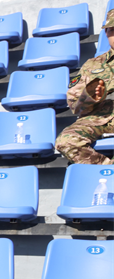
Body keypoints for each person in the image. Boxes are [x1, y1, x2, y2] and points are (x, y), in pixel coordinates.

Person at [56, 8, 114, 165]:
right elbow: (75, 105)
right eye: (112, 30)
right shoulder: (92, 65)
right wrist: (90, 97)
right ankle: (107, 170)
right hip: (99, 118)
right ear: (106, 33)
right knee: (66, 141)